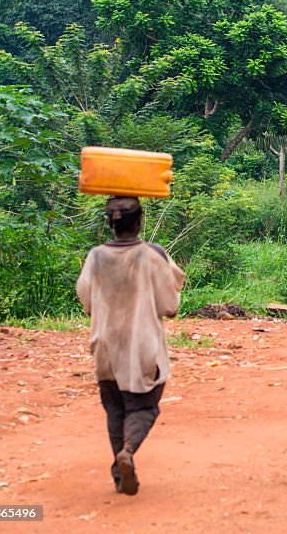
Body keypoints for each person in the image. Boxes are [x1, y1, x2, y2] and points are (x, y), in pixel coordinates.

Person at [76, 197, 185, 496]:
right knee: (144, 407)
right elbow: (170, 306)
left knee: (114, 408)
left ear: (110, 223)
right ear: (139, 221)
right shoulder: (152, 256)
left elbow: (86, 301)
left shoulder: (96, 257)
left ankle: (119, 473)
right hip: (142, 347)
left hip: (105, 346)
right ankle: (127, 451)